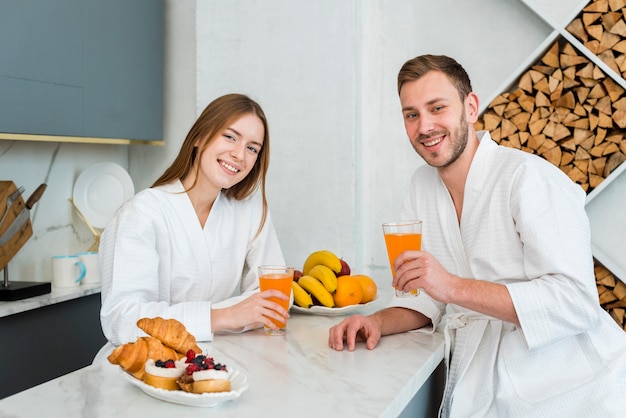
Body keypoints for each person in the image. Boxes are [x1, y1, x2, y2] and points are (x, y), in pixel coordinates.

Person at [328, 55, 626, 417]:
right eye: (411, 114)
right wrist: (376, 321)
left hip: (579, 390)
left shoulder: (528, 178)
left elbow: (575, 302)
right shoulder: (421, 187)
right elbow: (424, 299)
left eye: (437, 108)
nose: (425, 126)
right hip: (485, 385)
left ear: (470, 107)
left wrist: (452, 286)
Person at [95, 93, 288, 360]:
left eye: (252, 148)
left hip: (208, 362)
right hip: (139, 369)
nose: (239, 154)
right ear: (199, 137)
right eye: (230, 137)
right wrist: (224, 316)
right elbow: (122, 320)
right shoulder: (140, 213)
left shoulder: (250, 212)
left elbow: (276, 297)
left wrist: (235, 315)